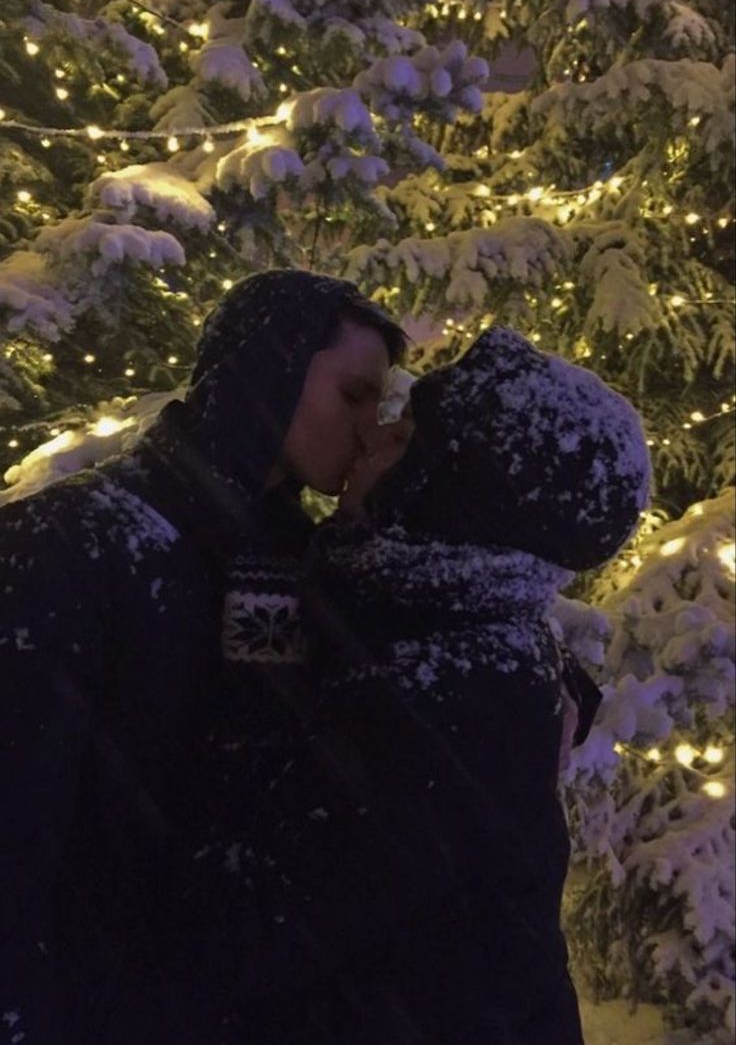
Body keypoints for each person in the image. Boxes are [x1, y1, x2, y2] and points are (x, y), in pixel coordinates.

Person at [192, 327, 650, 1043]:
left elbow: (255, 910)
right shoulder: (427, 616)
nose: (372, 437)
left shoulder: (450, 691)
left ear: (451, 502)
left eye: (403, 441)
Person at [0, 269, 407, 1045]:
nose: (367, 427)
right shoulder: (69, 543)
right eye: (353, 395)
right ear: (272, 365)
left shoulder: (298, 560)